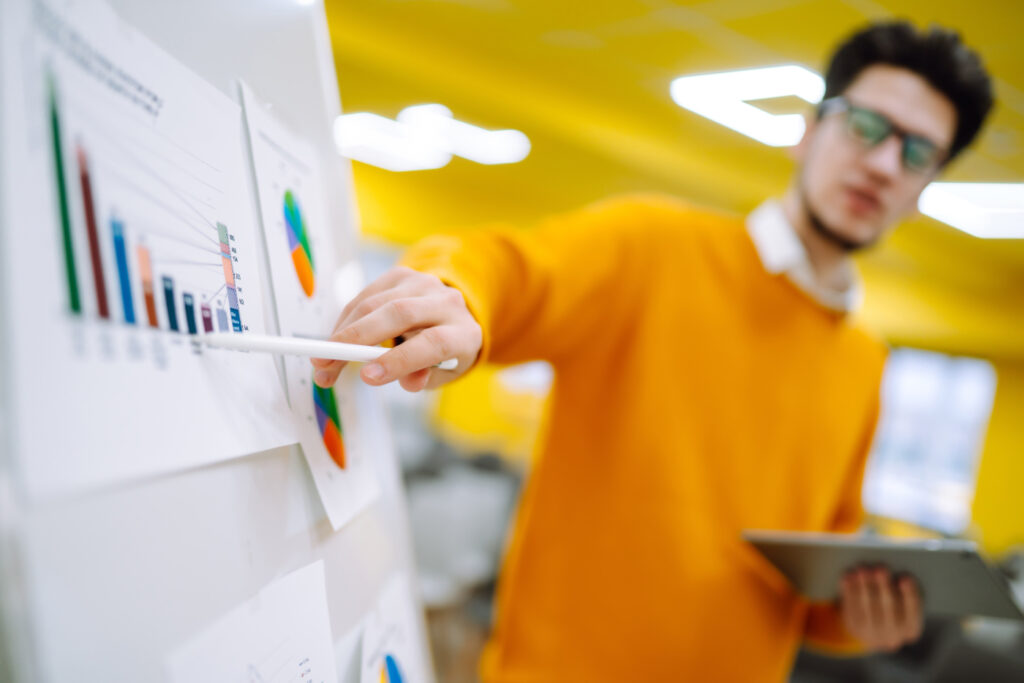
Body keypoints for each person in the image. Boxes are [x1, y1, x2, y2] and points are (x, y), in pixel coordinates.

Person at [313, 20, 993, 682]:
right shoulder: (654, 247)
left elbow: (810, 588)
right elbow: (508, 271)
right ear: (809, 131)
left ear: (927, 185)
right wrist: (456, 294)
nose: (881, 163)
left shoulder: (865, 362)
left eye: (916, 152)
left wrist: (859, 619)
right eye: (866, 126)